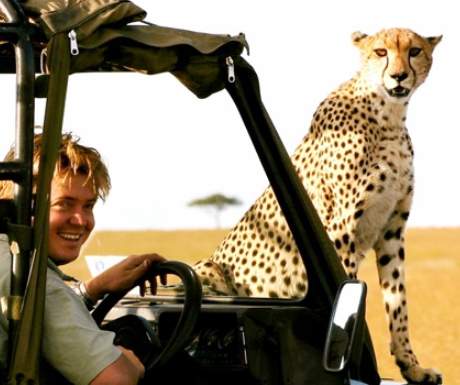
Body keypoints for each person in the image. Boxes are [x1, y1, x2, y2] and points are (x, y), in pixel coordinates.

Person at [0, 133, 167, 385]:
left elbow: (35, 314)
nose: (82, 221)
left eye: (88, 206)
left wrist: (92, 289)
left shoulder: (10, 262)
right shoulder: (34, 283)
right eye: (64, 204)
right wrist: (128, 363)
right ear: (21, 204)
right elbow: (114, 380)